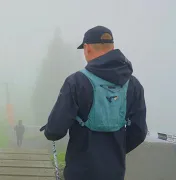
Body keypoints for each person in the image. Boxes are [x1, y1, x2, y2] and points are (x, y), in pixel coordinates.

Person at [41, 26, 147, 180]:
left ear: (87, 48)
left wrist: (49, 130)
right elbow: (139, 131)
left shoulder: (76, 82)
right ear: (112, 48)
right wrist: (114, 150)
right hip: (114, 172)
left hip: (80, 172)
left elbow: (55, 131)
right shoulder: (133, 85)